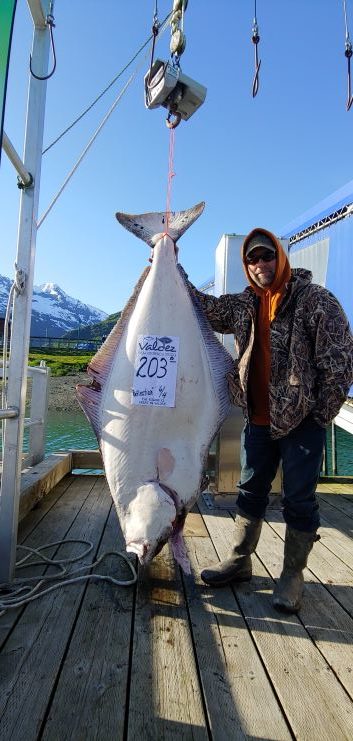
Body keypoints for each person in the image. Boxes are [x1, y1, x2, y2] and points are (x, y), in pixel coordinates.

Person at [180, 228, 353, 613]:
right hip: (257, 419)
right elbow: (203, 308)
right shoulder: (243, 305)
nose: (260, 265)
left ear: (280, 257)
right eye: (252, 259)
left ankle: (292, 575)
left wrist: (320, 415)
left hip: (302, 421)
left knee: (299, 498)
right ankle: (240, 561)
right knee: (250, 490)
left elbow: (340, 361)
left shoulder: (316, 301)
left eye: (267, 256)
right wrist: (173, 266)